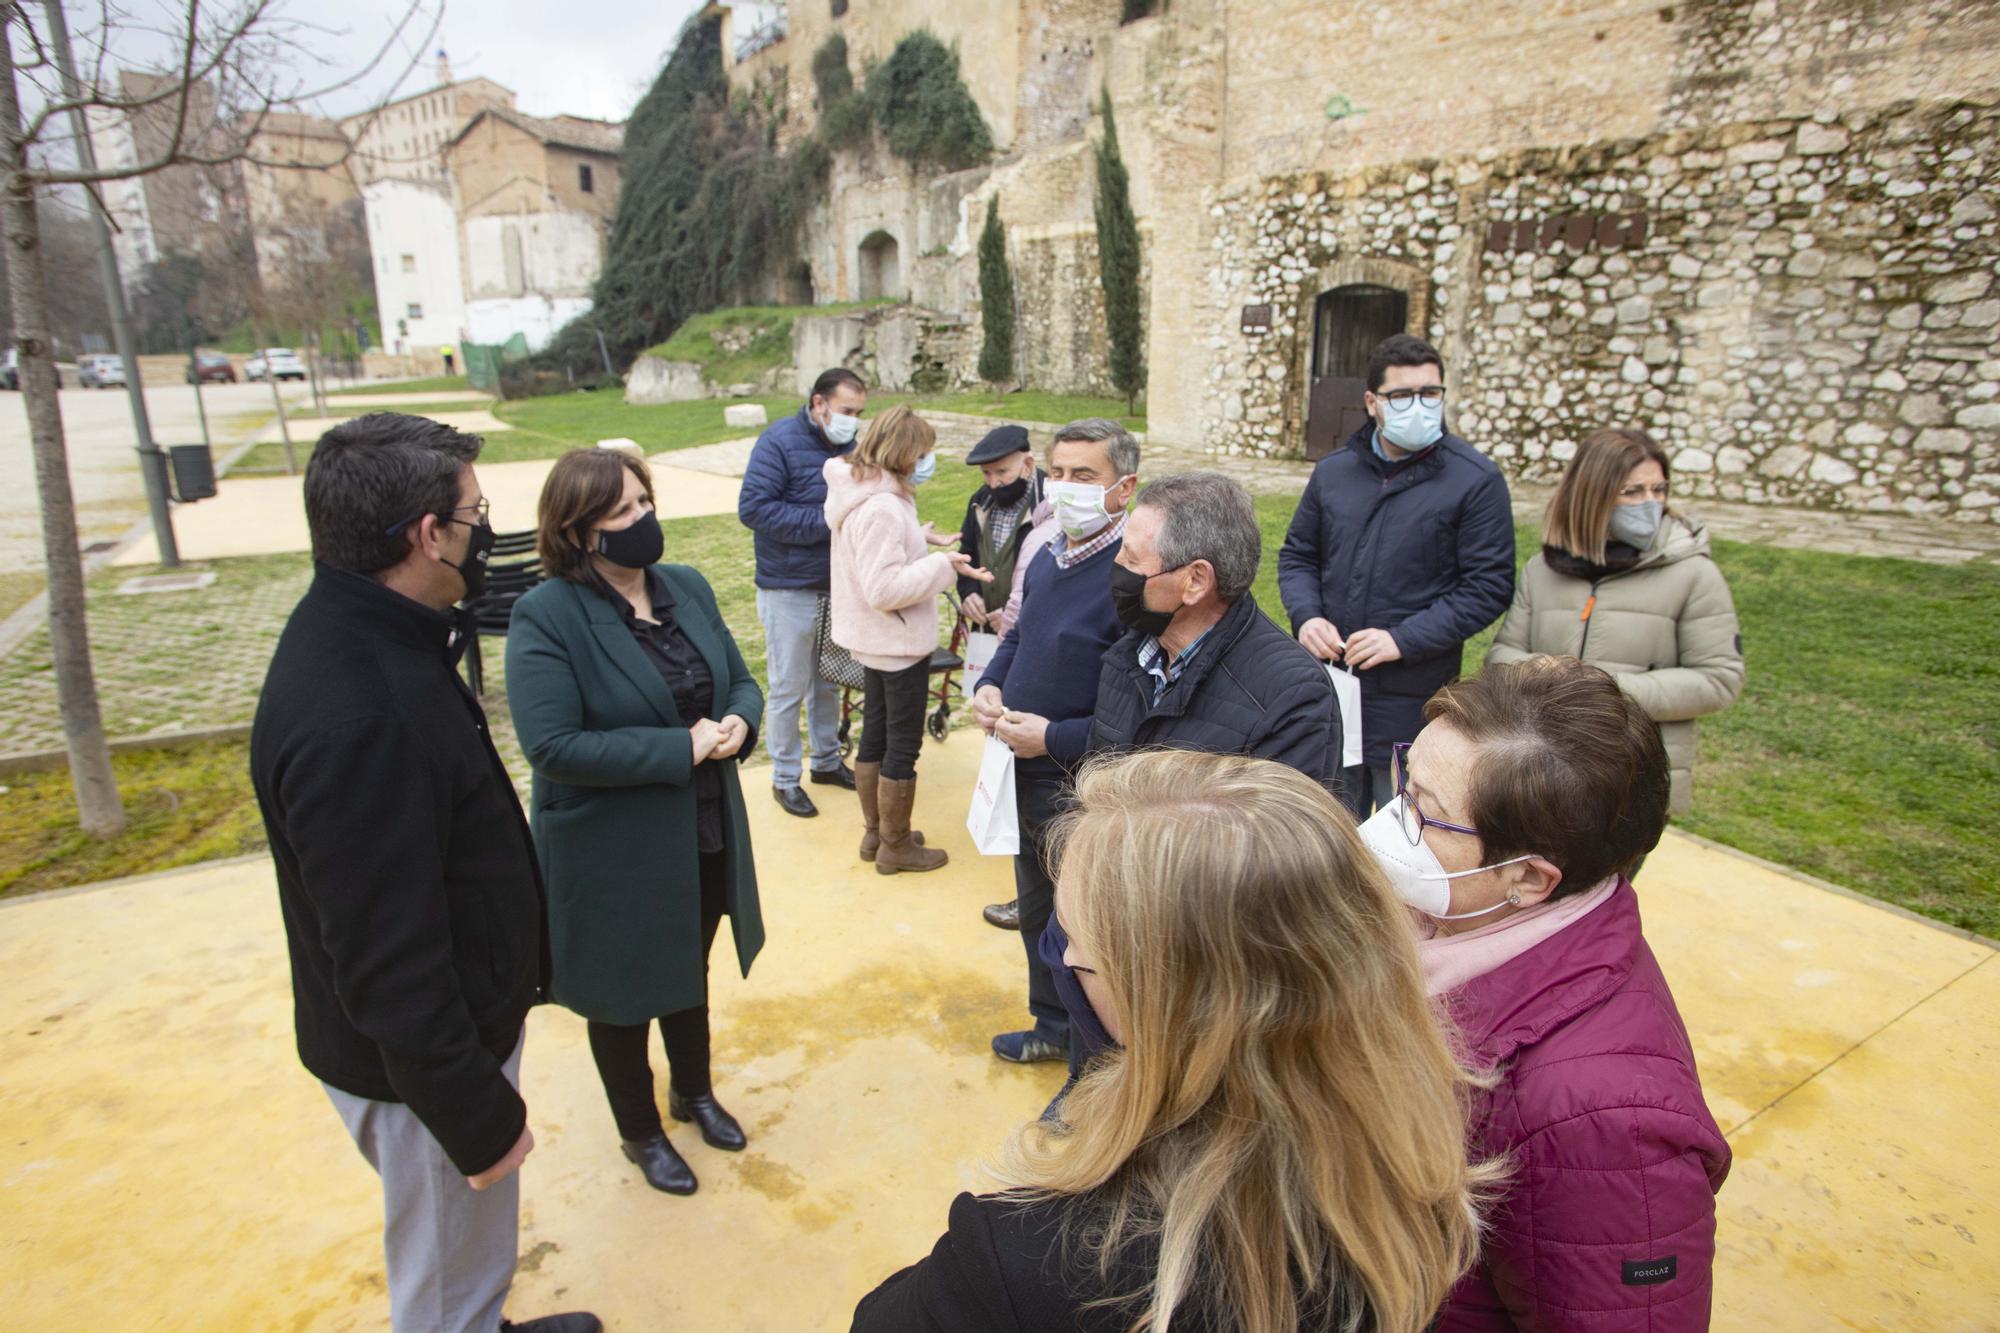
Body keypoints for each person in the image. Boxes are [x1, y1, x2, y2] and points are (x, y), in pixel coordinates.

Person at [852, 751, 1493, 1333]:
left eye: (1078, 941)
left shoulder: (1028, 1260)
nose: (1064, 955)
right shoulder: (1420, 1164)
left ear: (1170, 1004)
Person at [250, 412, 597, 1333]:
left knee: (469, 1257)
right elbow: (386, 962)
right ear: (426, 535)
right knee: (442, 1282)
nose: (487, 531)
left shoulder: (374, 627)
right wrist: (474, 1113)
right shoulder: (362, 713)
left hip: (446, 1038)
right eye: (476, 514)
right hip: (421, 1073)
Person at [1357, 657, 1730, 1330]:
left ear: (1527, 877)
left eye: (1425, 812)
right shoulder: (1446, 919)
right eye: (1404, 783)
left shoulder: (1602, 1118)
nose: (1391, 820)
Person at [505, 450, 766, 1197]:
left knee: (688, 962)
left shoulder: (685, 585)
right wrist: (680, 745)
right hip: (610, 847)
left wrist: (741, 725)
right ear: (578, 529)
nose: (640, 518)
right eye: (619, 511)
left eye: (644, 500)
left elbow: (741, 680)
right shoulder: (547, 614)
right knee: (622, 992)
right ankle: (640, 1130)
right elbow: (552, 745)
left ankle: (694, 1091)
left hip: (704, 828)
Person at [1277, 332, 1516, 819]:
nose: (1419, 406)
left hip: (1413, 694)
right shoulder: (1334, 472)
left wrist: (1402, 640)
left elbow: (1487, 586)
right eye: (1402, 396)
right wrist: (1306, 617)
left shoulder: (1475, 480)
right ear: (1372, 402)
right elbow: (1298, 555)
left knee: (1406, 831)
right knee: (1327, 829)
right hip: (1330, 687)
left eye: (1431, 393)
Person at [967, 418, 1139, 1062]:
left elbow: (1133, 714)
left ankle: (1096, 1053)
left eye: (1084, 476)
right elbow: (1016, 636)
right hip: (1021, 766)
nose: (1064, 488)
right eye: (1058, 473)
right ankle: (1050, 1027)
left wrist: (1055, 738)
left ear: (1123, 489)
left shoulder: (1133, 582)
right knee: (1037, 912)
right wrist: (990, 685)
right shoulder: (1048, 551)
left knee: (1089, 929)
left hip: (1085, 781)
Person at [1486, 426, 1743, 817]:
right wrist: (1543, 672)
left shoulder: (1693, 574)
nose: (1649, 504)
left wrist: (1601, 690)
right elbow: (1503, 654)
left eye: (1658, 490)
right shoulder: (1543, 570)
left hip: (1630, 779)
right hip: (1544, 775)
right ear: (1591, 495)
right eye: (1632, 492)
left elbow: (1718, 679)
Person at [824, 404, 990, 873]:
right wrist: (941, 566)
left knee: (875, 733)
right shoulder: (881, 506)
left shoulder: (863, 494)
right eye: (921, 453)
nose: (924, 462)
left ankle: (877, 833)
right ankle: (896, 845)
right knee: (900, 743)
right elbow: (884, 588)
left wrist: (919, 539)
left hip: (875, 641)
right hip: (895, 643)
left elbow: (872, 554)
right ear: (903, 452)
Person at [1088, 470, 1337, 779]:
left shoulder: (1290, 697)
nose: (1117, 567)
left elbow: (1280, 825)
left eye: (1132, 558)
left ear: (1195, 581)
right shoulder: (1130, 654)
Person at [738, 368, 868, 818]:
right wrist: (826, 522)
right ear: (819, 404)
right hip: (787, 587)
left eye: (858, 413)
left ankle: (827, 762)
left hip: (836, 586)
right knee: (788, 687)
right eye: (846, 411)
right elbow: (754, 509)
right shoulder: (777, 442)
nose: (852, 420)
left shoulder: (851, 447)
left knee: (828, 683)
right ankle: (785, 778)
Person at [955, 424, 1045, 635]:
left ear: (1028, 465)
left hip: (1032, 632)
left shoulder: (1049, 504)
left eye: (1002, 472)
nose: (993, 483)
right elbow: (967, 553)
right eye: (986, 473)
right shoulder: (980, 500)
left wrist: (1015, 613)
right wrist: (968, 593)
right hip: (985, 631)